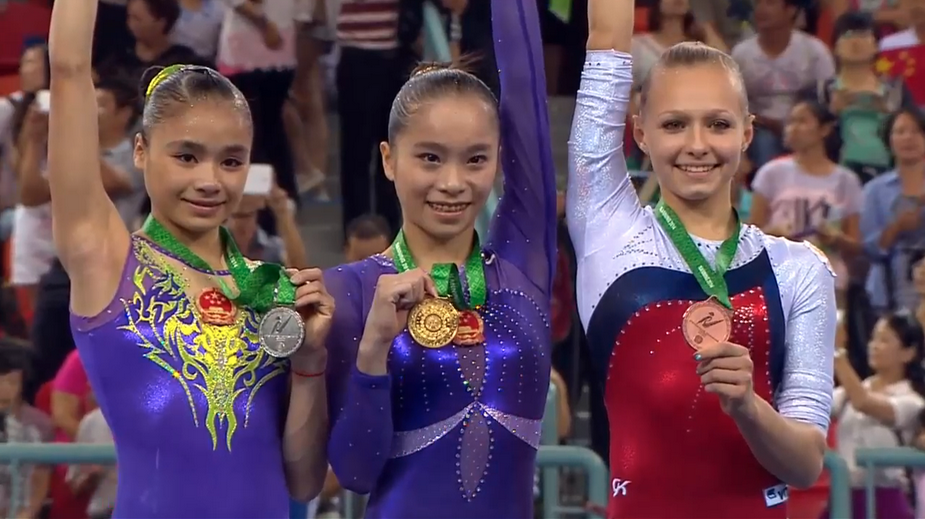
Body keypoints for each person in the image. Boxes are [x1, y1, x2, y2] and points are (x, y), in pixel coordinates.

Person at [47, 0, 332, 514]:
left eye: (231, 161)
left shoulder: (274, 290)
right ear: (140, 150)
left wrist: (310, 364)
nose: (209, 181)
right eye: (186, 156)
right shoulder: (106, 261)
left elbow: (304, 481)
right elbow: (68, 70)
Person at [566, 0, 836, 515]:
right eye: (674, 125)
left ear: (747, 133)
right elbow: (605, 43)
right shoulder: (608, 233)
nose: (697, 145)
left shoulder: (798, 270)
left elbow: (805, 465)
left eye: (717, 124)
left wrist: (748, 408)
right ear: (640, 133)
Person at [323, 0, 557, 515]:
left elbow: (526, 88)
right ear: (389, 160)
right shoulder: (349, 288)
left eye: (476, 159)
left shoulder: (523, 267)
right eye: (430, 158)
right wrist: (374, 346)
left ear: (499, 161)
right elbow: (355, 473)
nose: (452, 182)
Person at [750, 100, 864, 306]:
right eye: (790, 122)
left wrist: (836, 238)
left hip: (829, 278)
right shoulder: (771, 173)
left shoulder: (846, 180)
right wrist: (773, 233)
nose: (793, 128)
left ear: (824, 129)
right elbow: (751, 235)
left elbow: (856, 245)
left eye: (802, 121)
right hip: (780, 277)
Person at [825, 312, 925, 519]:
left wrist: (836, 353)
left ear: (908, 353)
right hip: (843, 497)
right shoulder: (849, 393)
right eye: (873, 338)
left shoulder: (912, 401)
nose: (874, 345)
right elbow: (815, 405)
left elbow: (863, 402)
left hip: (885, 502)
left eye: (884, 340)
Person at [860, 108, 925, 315]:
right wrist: (897, 227)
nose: (908, 138)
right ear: (889, 140)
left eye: (916, 131)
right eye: (900, 131)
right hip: (890, 289)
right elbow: (870, 248)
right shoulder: (875, 190)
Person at [0, 338, 53, 519]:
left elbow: (40, 480)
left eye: (12, 381)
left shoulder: (38, 425)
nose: (5, 390)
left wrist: (25, 515)